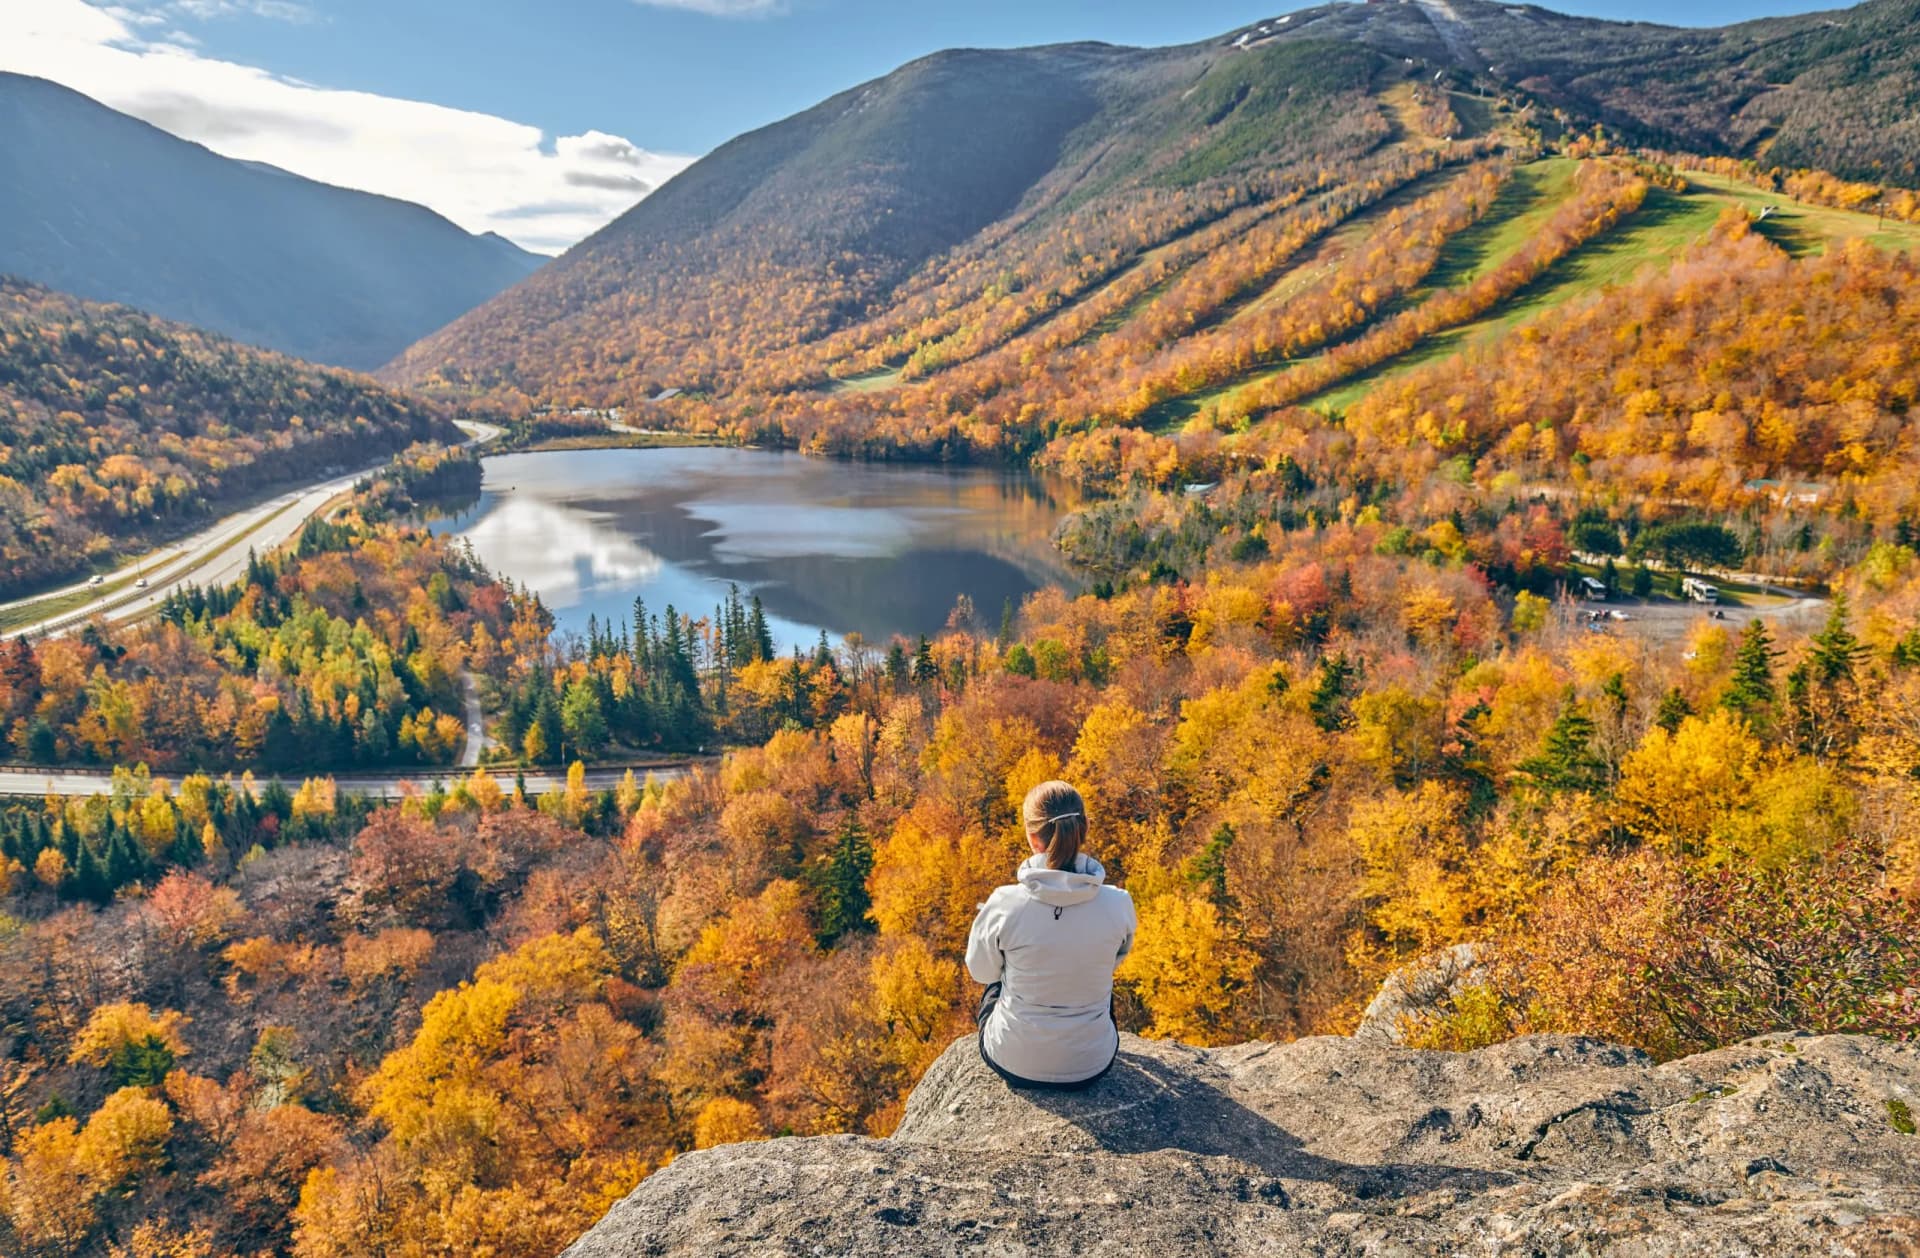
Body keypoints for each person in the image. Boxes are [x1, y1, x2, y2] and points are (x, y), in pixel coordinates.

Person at [965, 780, 1136, 1089]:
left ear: (1033, 839)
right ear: (1085, 827)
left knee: (996, 979)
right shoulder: (1119, 904)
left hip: (1013, 1060)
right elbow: (1113, 962)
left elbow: (981, 972)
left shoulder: (1005, 903)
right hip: (1093, 1064)